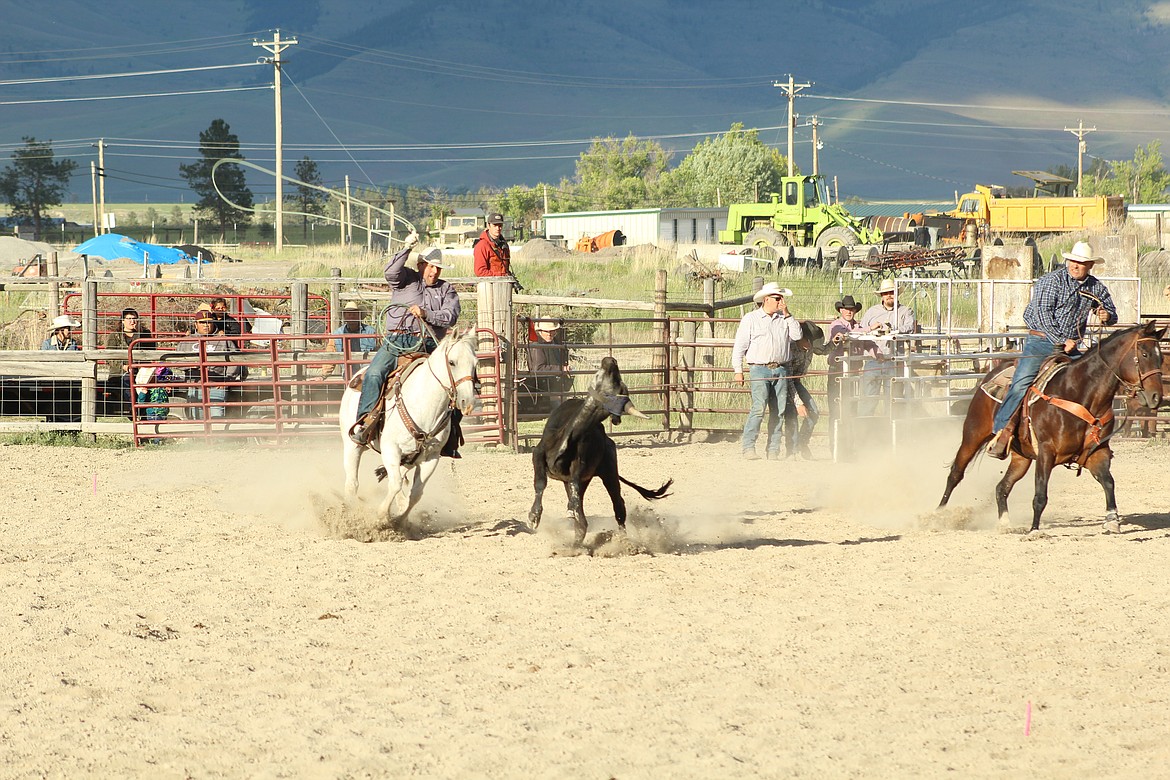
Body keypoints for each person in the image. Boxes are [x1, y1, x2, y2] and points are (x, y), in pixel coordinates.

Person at [986, 240, 1117, 459]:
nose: (1076, 265)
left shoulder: (1095, 288)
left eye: (1081, 263)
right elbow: (1042, 314)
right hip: (1042, 342)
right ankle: (1002, 431)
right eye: (1073, 261)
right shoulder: (1051, 281)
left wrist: (1106, 315)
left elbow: (1111, 313)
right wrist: (1062, 339)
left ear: (1090, 266)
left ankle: (1083, 437)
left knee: (1090, 382)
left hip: (1071, 345)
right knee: (1021, 383)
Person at [350, 231, 463, 455]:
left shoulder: (446, 289)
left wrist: (426, 313)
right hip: (398, 340)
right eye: (430, 266)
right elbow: (390, 272)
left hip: (430, 343)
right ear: (421, 265)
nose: (434, 271)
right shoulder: (405, 280)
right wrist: (407, 248)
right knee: (374, 374)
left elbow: (451, 315)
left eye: (438, 268)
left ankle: (450, 436)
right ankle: (365, 423)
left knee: (455, 383)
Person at [731, 282, 803, 460]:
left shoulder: (784, 319)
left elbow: (797, 336)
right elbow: (740, 345)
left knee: (778, 410)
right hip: (759, 368)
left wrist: (787, 314)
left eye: (781, 298)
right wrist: (738, 370)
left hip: (781, 368)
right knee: (758, 408)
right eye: (778, 298)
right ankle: (749, 447)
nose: (781, 301)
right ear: (767, 299)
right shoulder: (751, 318)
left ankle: (773, 450)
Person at [857, 278, 918, 416]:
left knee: (893, 401)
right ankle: (863, 431)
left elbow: (909, 327)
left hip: (894, 360)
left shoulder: (905, 311)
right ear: (881, 296)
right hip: (874, 361)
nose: (889, 295)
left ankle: (890, 432)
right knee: (868, 399)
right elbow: (862, 330)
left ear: (897, 294)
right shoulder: (872, 312)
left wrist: (892, 329)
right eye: (886, 293)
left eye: (891, 292)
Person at [179, 307, 242, 419]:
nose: (206, 325)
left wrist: (226, 380)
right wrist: (189, 365)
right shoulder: (186, 341)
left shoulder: (223, 340)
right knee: (196, 419)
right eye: (202, 323)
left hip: (216, 386)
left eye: (209, 322)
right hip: (195, 386)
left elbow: (235, 360)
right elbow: (176, 360)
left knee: (216, 418)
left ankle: (217, 437)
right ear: (195, 324)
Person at [781, 321, 826, 460]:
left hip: (795, 381)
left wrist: (835, 342)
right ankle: (792, 450)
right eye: (810, 342)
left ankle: (802, 443)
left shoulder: (809, 347)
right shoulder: (789, 349)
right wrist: (798, 403)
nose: (812, 346)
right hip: (785, 382)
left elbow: (823, 350)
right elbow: (788, 379)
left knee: (813, 412)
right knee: (791, 415)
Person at [101, 308, 156, 409]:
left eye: (134, 318)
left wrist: (140, 333)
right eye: (129, 318)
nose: (132, 321)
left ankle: (144, 408)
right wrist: (123, 366)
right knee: (127, 380)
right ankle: (133, 408)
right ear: (122, 320)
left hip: (140, 371)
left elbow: (151, 351)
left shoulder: (144, 334)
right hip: (120, 372)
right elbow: (109, 357)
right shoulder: (114, 336)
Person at [827, 294, 865, 421]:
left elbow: (868, 343)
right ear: (841, 310)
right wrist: (869, 330)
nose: (849, 311)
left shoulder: (858, 327)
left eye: (852, 309)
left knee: (852, 405)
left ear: (855, 311)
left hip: (853, 369)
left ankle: (850, 438)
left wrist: (878, 353)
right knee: (835, 406)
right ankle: (835, 439)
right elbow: (846, 334)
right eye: (847, 309)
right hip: (837, 369)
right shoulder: (836, 325)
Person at [526, 319, 572, 409]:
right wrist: (561, 369)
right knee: (560, 407)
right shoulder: (536, 346)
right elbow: (538, 369)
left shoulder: (554, 343)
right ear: (540, 332)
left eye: (551, 331)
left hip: (553, 384)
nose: (549, 334)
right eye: (546, 331)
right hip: (543, 386)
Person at [473, 212, 511, 277]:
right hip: (488, 285)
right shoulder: (482, 246)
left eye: (500, 225)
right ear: (488, 226)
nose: (498, 228)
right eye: (495, 225)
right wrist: (501, 275)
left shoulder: (504, 245)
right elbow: (480, 271)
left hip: (504, 284)